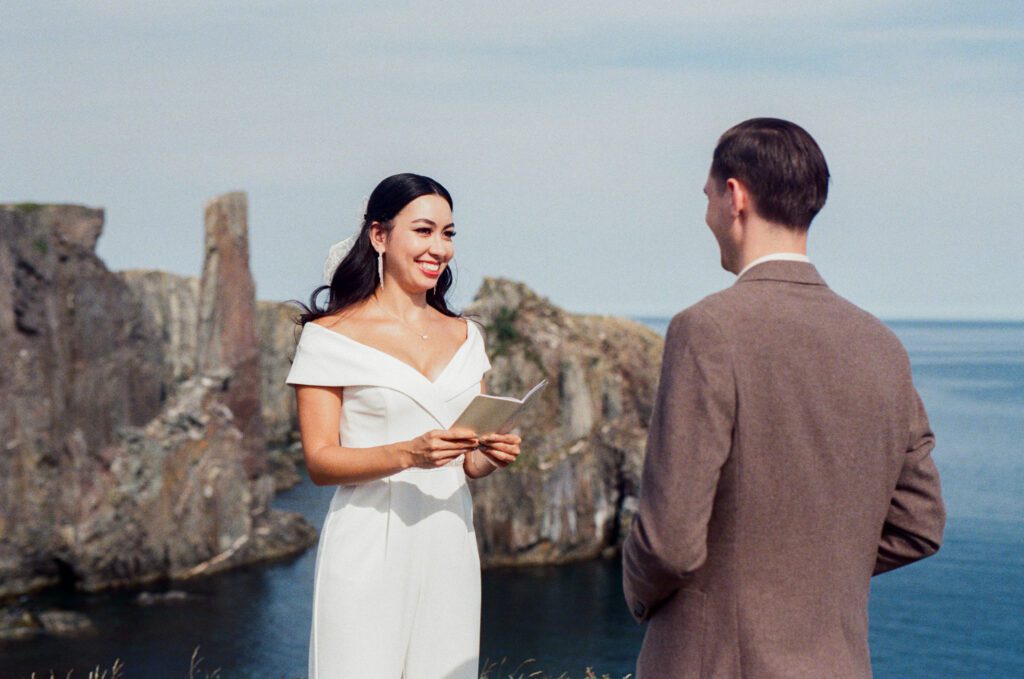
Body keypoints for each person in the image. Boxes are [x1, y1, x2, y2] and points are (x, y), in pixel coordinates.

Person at [622, 118, 945, 678]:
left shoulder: (708, 329)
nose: (706, 216)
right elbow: (919, 523)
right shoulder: (882, 345)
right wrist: (813, 581)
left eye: (706, 197)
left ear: (734, 195)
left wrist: (642, 595)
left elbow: (669, 543)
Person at [286, 173, 521, 678]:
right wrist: (410, 454)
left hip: (450, 540)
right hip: (369, 544)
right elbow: (321, 462)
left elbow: (466, 460)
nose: (440, 247)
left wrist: (488, 455)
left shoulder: (467, 336)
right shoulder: (329, 338)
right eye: (424, 230)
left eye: (449, 233)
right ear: (379, 236)